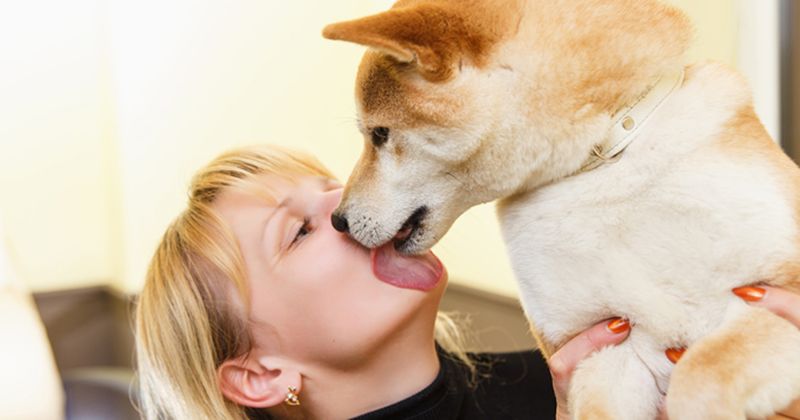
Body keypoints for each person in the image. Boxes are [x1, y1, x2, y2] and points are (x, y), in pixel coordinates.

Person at [135, 145, 800, 420]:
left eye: (331, 187)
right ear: (259, 375)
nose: (346, 207)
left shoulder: (579, 375)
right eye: (299, 231)